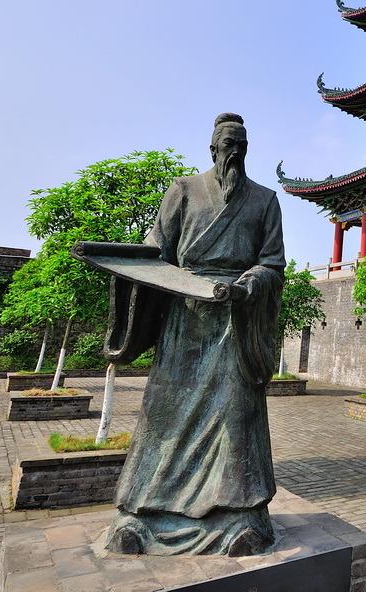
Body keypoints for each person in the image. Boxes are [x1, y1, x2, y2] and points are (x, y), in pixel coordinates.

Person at [103, 112, 285, 556]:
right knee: (166, 413)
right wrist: (115, 259)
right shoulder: (183, 190)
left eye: (242, 145)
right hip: (184, 319)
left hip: (235, 321)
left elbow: (272, 263)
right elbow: (156, 252)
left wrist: (248, 286)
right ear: (213, 148)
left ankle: (239, 513)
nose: (235, 152)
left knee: (235, 418)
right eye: (228, 144)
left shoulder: (265, 200)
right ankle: (146, 510)